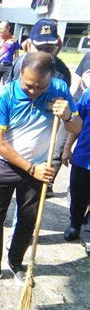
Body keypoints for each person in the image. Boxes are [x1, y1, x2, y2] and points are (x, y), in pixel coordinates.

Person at [0, 52, 82, 284]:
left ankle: (15, 262)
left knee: (28, 221)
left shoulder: (58, 89)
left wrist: (68, 115)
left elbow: (77, 126)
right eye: (28, 85)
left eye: (40, 86)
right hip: (3, 165)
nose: (34, 91)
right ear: (19, 75)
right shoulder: (4, 95)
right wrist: (30, 168)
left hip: (39, 167)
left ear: (50, 78)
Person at [0, 18, 72, 227]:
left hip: (43, 143)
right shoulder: (20, 63)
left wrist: (63, 146)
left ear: (58, 45)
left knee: (29, 201)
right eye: (39, 46)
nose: (44, 52)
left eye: (49, 47)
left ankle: (22, 228)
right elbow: (8, 96)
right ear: (29, 44)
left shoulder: (61, 75)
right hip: (12, 142)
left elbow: (67, 119)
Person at [62, 87, 90, 241]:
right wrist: (67, 148)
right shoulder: (88, 95)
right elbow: (77, 123)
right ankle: (75, 224)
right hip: (84, 156)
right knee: (78, 193)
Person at [0, 20, 20, 96]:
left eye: (2, 28)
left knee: (7, 87)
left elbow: (17, 53)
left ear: (8, 28)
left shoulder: (14, 39)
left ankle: (4, 103)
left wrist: (15, 65)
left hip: (8, 67)